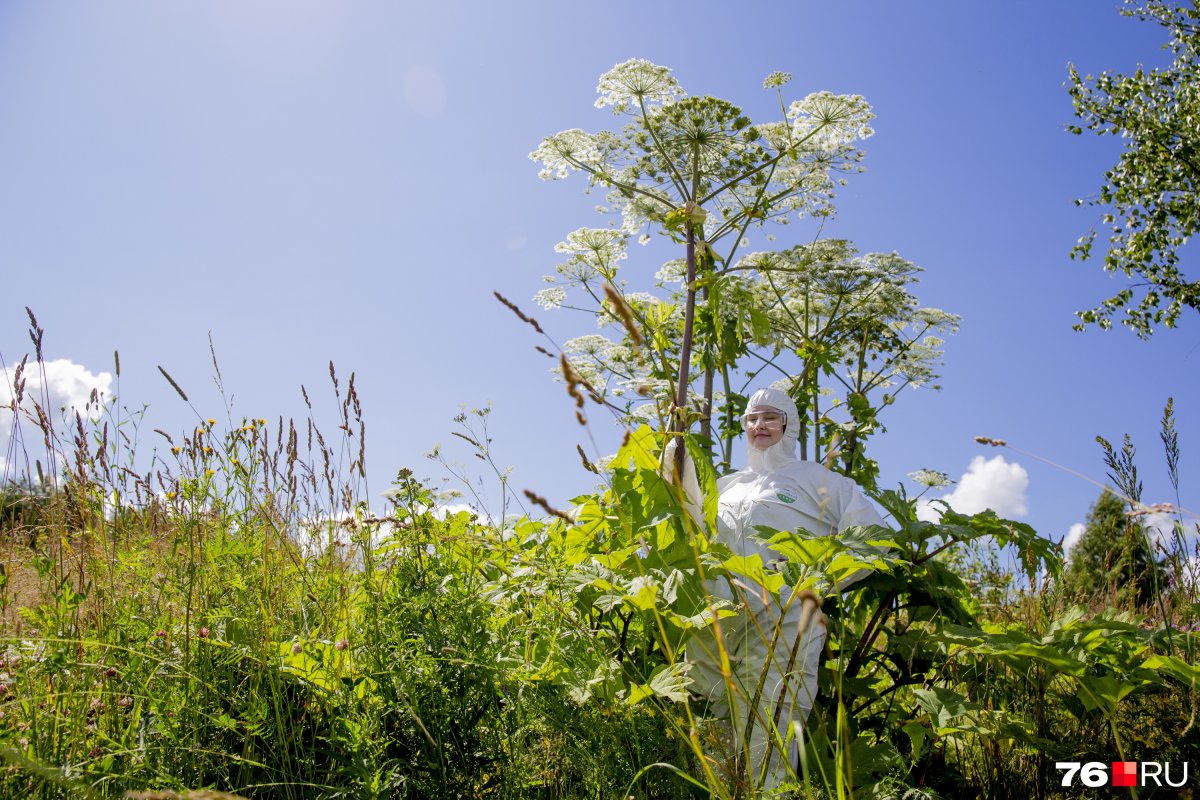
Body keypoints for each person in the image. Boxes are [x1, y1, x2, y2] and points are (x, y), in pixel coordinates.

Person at [666, 386, 885, 791]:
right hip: (719, 620)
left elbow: (874, 540)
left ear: (790, 424)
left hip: (784, 622)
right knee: (712, 724)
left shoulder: (817, 480)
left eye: (770, 417)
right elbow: (694, 528)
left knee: (774, 722)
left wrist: (816, 581)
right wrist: (676, 469)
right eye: (751, 419)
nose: (759, 426)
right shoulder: (729, 485)